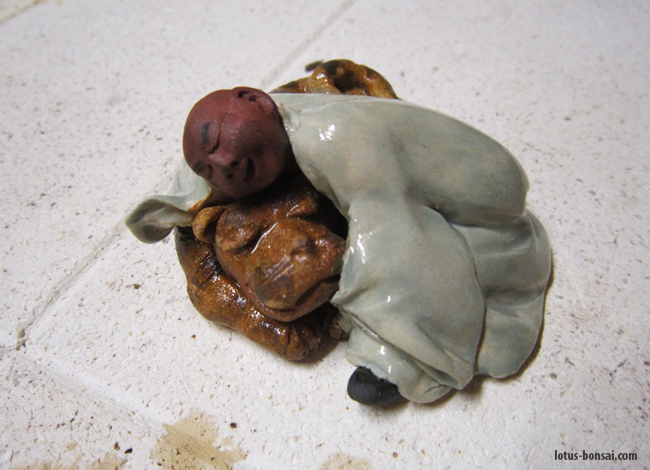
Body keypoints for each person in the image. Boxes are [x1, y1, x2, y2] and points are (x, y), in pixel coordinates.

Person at [127, 87, 551, 405]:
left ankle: (415, 353)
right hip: (457, 180)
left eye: (218, 140)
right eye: (208, 167)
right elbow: (195, 178)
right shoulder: (279, 117)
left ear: (255, 100)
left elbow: (392, 231)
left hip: (483, 201)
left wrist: (386, 343)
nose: (223, 164)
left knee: (397, 241)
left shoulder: (328, 138)